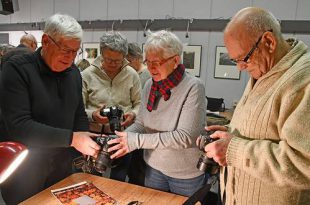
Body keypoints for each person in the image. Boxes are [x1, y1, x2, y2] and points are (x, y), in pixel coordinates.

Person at [202, 7, 310, 205]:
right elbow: (266, 128)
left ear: (269, 42)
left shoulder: (304, 80)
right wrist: (232, 132)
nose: (239, 67)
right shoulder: (265, 69)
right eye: (235, 60)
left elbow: (304, 163)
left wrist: (233, 149)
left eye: (243, 59)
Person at [0, 14, 101, 204]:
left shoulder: (74, 74)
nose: (70, 58)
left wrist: (86, 142)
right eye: (65, 50)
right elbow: (19, 126)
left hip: (61, 164)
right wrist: (72, 138)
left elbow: (78, 113)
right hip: (24, 168)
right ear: (46, 41)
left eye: (75, 52)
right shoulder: (17, 69)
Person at [107, 30, 207, 197]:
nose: (151, 67)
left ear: (175, 60)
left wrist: (136, 141)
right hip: (154, 167)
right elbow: (141, 124)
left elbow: (185, 137)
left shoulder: (193, 87)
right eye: (148, 61)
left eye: (157, 62)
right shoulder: (149, 85)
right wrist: (121, 139)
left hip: (185, 174)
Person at [81, 31, 141, 181]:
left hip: (122, 137)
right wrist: (92, 115)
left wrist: (133, 114)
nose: (113, 64)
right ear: (101, 53)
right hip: (94, 136)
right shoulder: (87, 75)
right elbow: (78, 108)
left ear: (124, 56)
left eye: (118, 60)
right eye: (109, 59)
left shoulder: (132, 75)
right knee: (92, 180)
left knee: (118, 180)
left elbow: (139, 104)